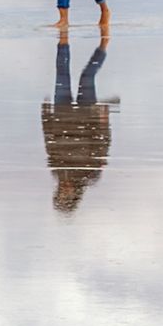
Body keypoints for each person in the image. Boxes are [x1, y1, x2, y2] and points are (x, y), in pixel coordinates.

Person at [41, 35, 118, 213]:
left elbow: (50, 144)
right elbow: (103, 144)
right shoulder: (91, 174)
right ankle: (104, 45)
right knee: (87, 77)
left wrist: (45, 116)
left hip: (61, 114)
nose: (62, 191)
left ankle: (63, 39)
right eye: (64, 196)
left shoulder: (57, 172)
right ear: (75, 196)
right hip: (87, 117)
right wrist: (104, 121)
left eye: (60, 195)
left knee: (62, 72)